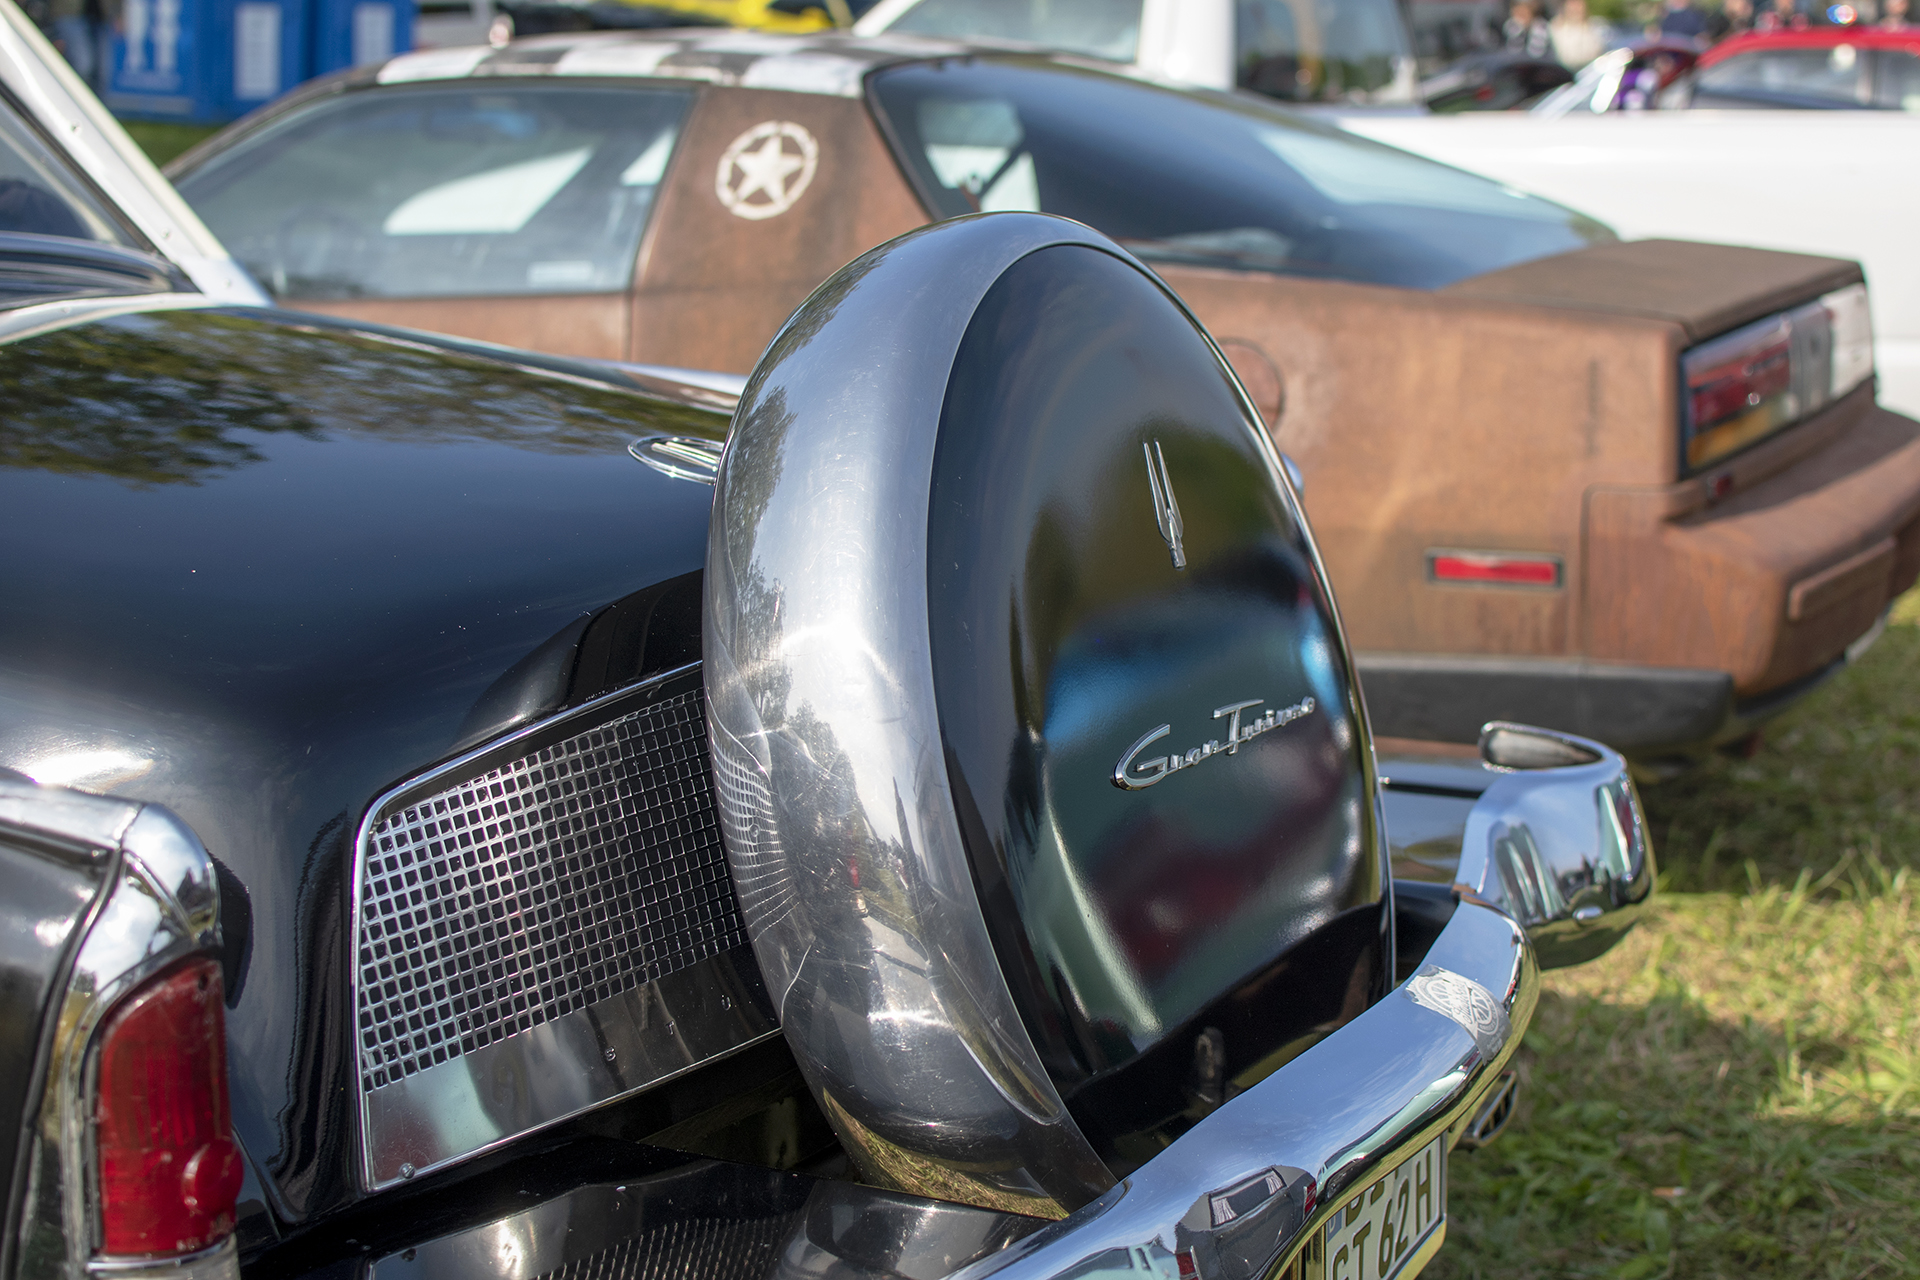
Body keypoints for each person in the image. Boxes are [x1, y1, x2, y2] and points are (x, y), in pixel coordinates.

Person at [46, 0, 119, 93]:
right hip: (70, 14)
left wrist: (118, 12)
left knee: (103, 73)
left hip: (102, 16)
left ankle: (92, 106)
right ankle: (72, 100)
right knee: (82, 66)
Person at [1550, 0, 1610, 65]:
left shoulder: (1596, 26)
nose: (1576, 8)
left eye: (1579, 4)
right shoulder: (1556, 28)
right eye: (1572, 4)